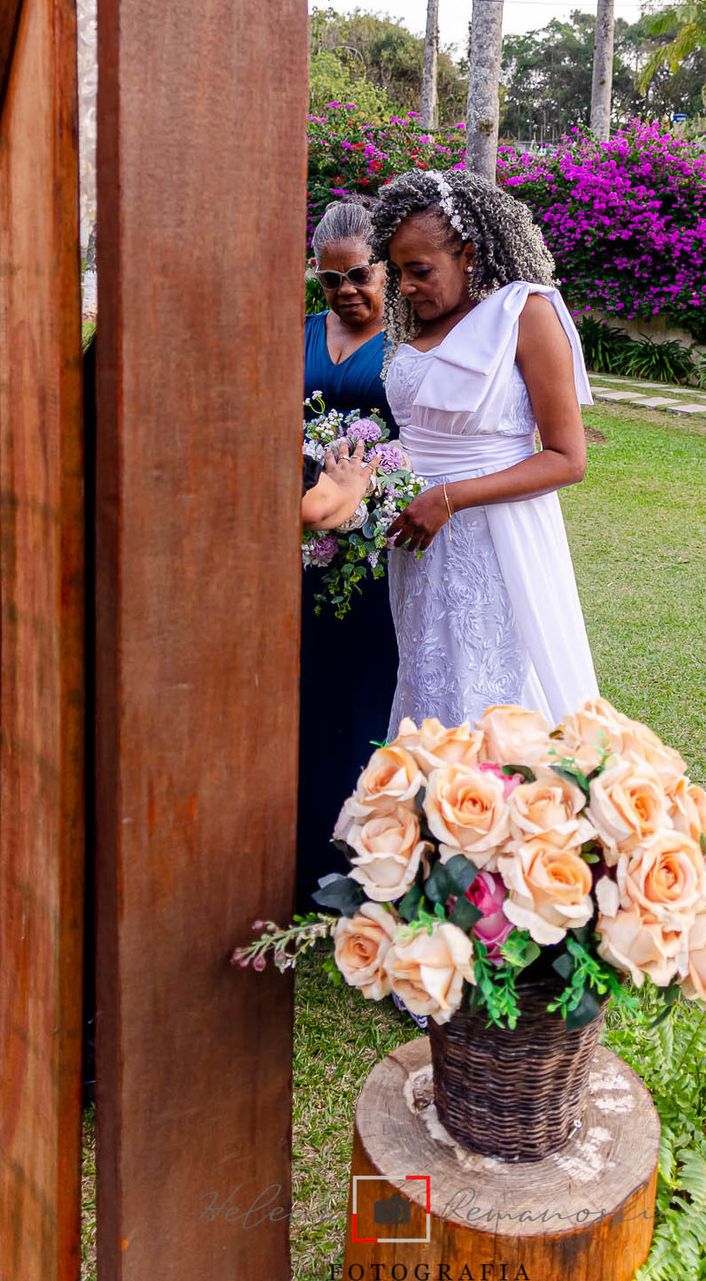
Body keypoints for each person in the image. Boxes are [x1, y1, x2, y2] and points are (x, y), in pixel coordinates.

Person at [372, 168, 600, 736]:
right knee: (431, 685)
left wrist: (449, 497)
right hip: (422, 547)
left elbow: (567, 458)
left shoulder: (525, 314)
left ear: (469, 255)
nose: (405, 286)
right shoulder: (419, 324)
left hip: (496, 540)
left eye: (419, 270)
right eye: (398, 272)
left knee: (492, 690)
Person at [298, 200, 400, 907]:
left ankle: (368, 863)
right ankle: (305, 852)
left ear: (385, 267)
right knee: (308, 695)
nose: (346, 292)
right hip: (304, 545)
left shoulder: (410, 344)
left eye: (360, 274)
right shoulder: (300, 334)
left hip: (377, 551)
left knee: (369, 694)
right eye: (330, 280)